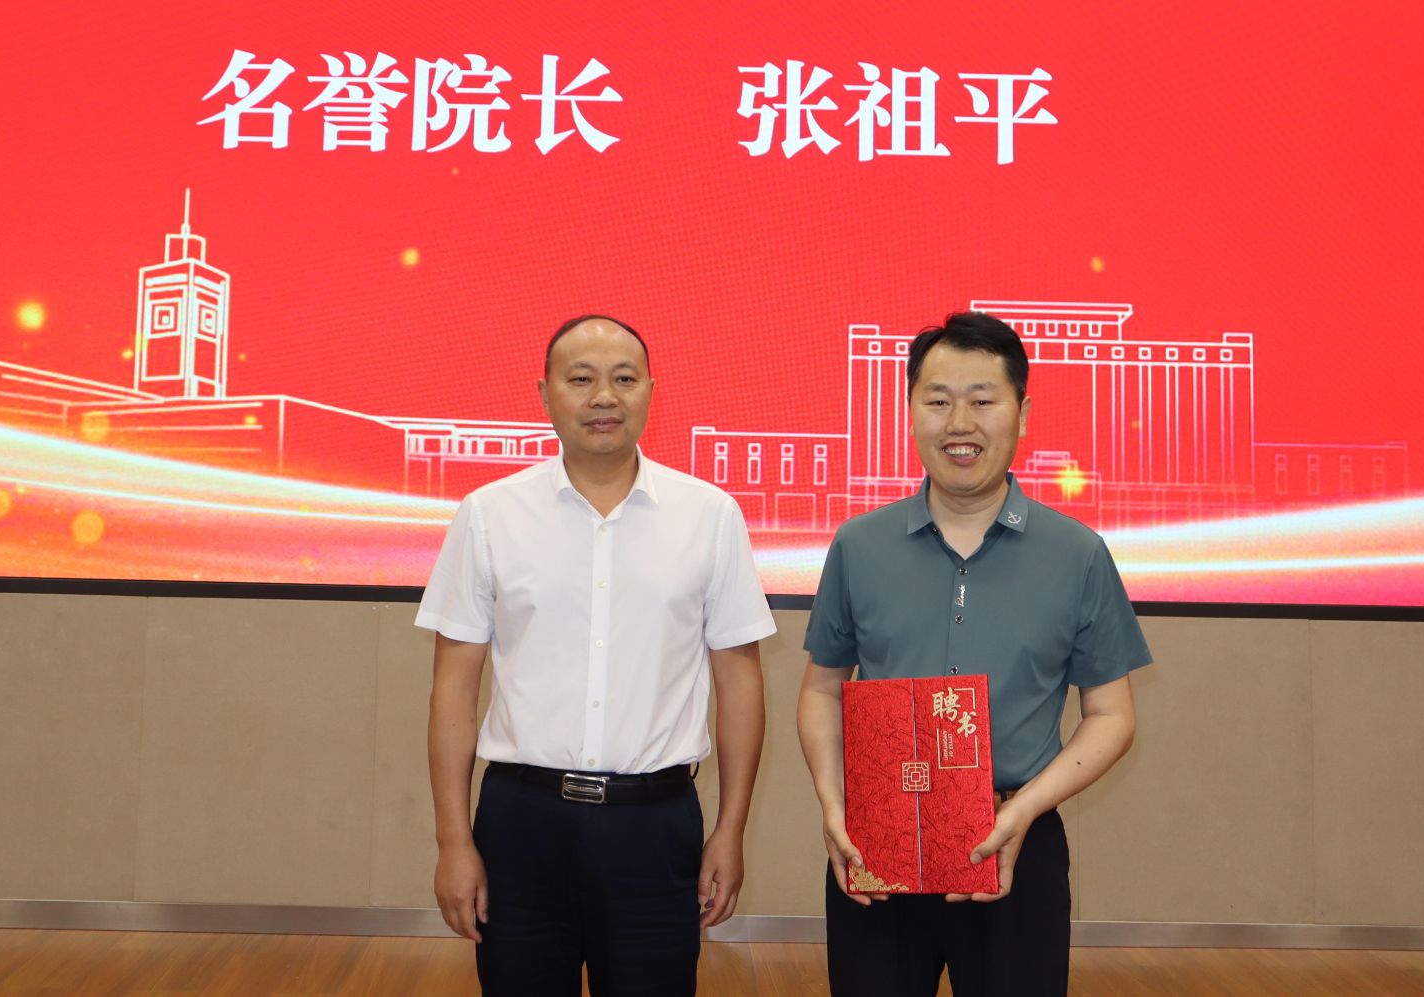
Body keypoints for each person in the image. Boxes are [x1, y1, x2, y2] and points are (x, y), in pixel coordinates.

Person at [796, 311, 1152, 997]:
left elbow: (1112, 715)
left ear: (1022, 413)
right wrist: (834, 804)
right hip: (881, 842)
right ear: (910, 411)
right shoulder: (858, 545)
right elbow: (820, 690)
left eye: (983, 400)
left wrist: (1025, 809)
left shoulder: (1077, 553)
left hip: (1018, 838)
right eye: (938, 401)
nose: (959, 422)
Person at [419, 314, 776, 997]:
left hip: (654, 826)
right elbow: (453, 688)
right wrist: (453, 841)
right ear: (545, 393)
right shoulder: (489, 514)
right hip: (521, 823)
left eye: (624, 379)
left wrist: (730, 829)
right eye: (580, 379)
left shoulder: (709, 515)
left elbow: (740, 683)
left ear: (650, 392)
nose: (603, 397)